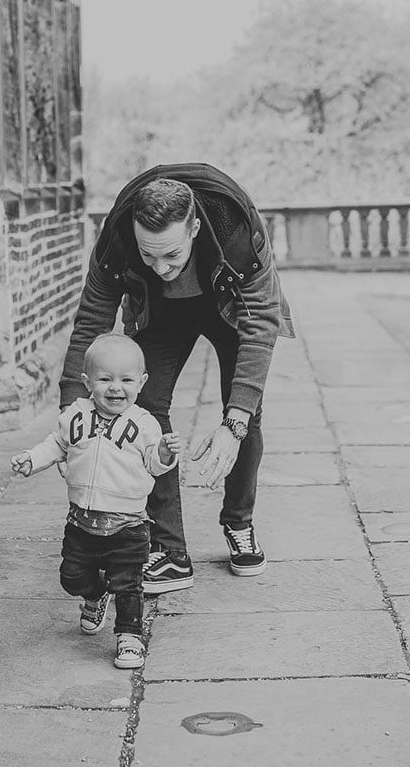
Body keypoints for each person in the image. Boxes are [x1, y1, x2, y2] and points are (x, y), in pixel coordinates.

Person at [61, 163, 294, 595]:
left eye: (171, 254)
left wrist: (234, 421)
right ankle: (170, 552)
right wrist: (71, 406)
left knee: (245, 410)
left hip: (229, 305)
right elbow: (92, 318)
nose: (161, 266)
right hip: (163, 314)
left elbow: (261, 321)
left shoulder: (237, 234)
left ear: (194, 230)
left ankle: (239, 524)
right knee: (144, 407)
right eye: (148, 255)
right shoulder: (116, 240)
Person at [11, 333, 181, 669]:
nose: (116, 388)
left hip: (128, 525)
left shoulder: (146, 425)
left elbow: (153, 463)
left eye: (126, 380)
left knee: (129, 585)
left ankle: (130, 637)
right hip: (81, 521)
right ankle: (94, 593)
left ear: (141, 382)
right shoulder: (76, 415)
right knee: (71, 576)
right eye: (105, 379)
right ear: (88, 382)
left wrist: (162, 454)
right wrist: (32, 458)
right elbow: (56, 444)